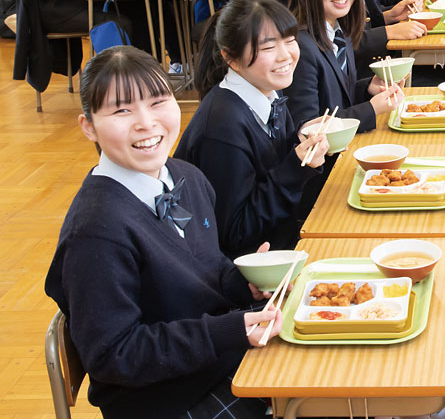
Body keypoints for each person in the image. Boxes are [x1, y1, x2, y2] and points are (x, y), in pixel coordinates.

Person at [44, 46, 282, 419]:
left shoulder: (185, 177)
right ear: (88, 125)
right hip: (165, 399)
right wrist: (223, 332)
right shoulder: (95, 231)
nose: (146, 123)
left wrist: (244, 283)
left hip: (213, 363)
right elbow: (113, 355)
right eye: (122, 110)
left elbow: (204, 268)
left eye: (158, 101)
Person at [174, 0, 330, 257]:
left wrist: (303, 143)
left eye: (290, 40)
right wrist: (295, 167)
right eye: (268, 47)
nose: (286, 55)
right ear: (231, 58)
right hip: (253, 273)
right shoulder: (223, 125)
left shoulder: (269, 92)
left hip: (286, 238)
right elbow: (234, 233)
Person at [284, 0, 404, 216]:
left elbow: (336, 97)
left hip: (345, 162)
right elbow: (308, 130)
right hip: (322, 186)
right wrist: (370, 109)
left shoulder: (337, 31)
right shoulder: (300, 46)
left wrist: (367, 88)